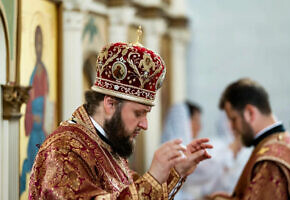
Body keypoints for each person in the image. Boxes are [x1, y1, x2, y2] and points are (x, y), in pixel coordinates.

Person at [28, 41, 213, 199]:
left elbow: (127, 192)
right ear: (110, 104)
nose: (145, 124)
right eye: (138, 113)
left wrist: (176, 172)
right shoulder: (62, 150)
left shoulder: (106, 144)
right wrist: (154, 177)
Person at [210, 78, 290, 200]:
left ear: (249, 113)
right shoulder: (280, 142)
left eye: (233, 119)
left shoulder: (271, 160)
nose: (232, 128)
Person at [20, 25, 49, 195]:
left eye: (40, 44)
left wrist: (43, 117)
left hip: (41, 129)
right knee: (31, 161)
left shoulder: (43, 70)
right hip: (34, 129)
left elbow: (46, 98)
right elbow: (29, 100)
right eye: (36, 44)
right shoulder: (34, 72)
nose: (38, 48)